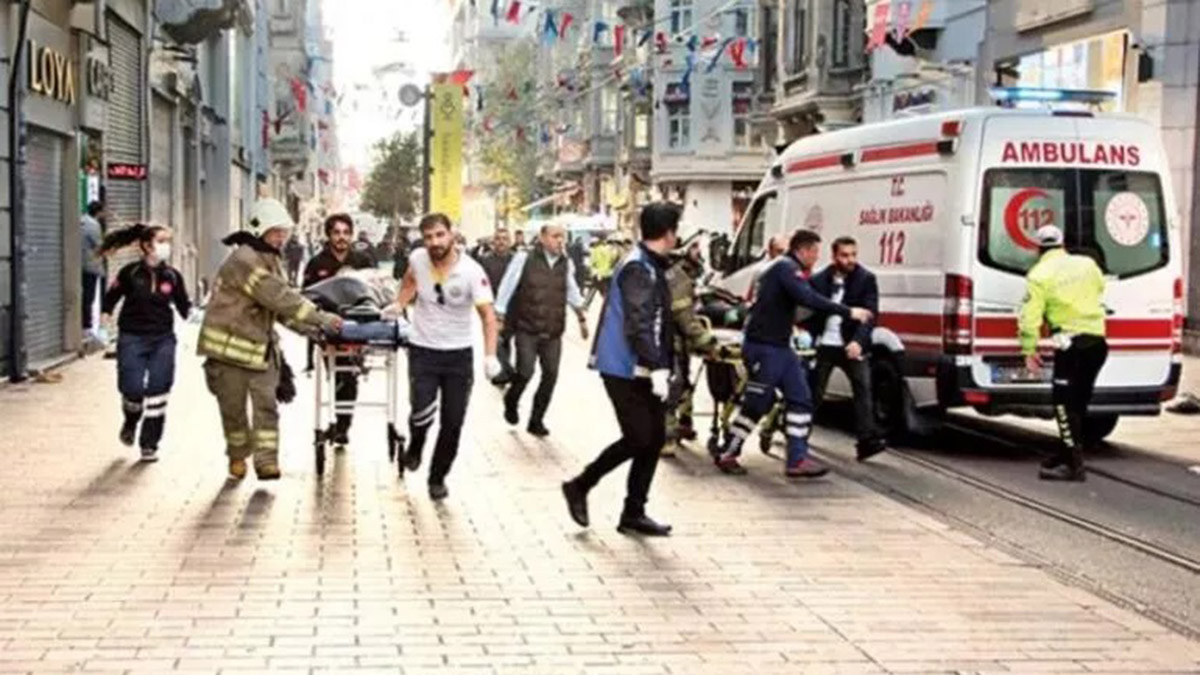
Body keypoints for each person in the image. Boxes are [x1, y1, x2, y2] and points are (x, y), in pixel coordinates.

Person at [200, 198, 343, 481]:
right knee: (234, 412)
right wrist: (322, 318)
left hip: (260, 350)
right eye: (276, 231)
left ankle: (266, 462)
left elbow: (277, 309)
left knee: (267, 408)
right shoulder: (245, 260)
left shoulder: (269, 259)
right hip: (229, 352)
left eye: (284, 232)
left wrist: (313, 332)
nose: (281, 238)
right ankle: (238, 455)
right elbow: (280, 298)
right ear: (259, 230)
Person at [560, 203, 680, 537]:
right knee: (639, 436)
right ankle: (580, 485)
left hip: (644, 365)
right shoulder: (639, 268)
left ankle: (633, 512)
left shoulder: (651, 264)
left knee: (654, 438)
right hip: (624, 367)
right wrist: (656, 366)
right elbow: (639, 321)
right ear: (669, 232)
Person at [715, 229, 872, 478]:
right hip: (765, 347)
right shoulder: (786, 269)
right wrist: (847, 311)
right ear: (804, 250)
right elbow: (807, 298)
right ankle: (728, 451)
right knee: (758, 404)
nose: (816, 259)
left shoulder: (782, 268)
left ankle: (797, 459)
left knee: (801, 397)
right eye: (815, 253)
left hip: (780, 346)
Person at [395, 213, 501, 500]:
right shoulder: (418, 258)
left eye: (440, 235)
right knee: (421, 412)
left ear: (452, 235)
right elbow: (408, 282)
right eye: (428, 237)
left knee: (452, 422)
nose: (434, 242)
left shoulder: (472, 271)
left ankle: (437, 477)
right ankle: (416, 445)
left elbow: (488, 316)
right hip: (423, 351)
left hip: (458, 356)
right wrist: (398, 305)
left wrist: (490, 357)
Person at [1019, 224, 1108, 482]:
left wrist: (1029, 349)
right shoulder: (1087, 264)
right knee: (1078, 402)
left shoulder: (1039, 275)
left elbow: (1030, 317)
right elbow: (1100, 288)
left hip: (1071, 346)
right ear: (1062, 244)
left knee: (1062, 403)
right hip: (1097, 344)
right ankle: (1066, 452)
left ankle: (1074, 466)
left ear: (1038, 248)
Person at [98, 224, 191, 462]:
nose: (166, 246)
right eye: (162, 241)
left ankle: (150, 443)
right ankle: (130, 420)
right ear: (146, 246)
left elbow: (185, 308)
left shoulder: (172, 276)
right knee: (132, 388)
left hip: (162, 339)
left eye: (168, 241)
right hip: (132, 337)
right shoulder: (130, 273)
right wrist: (105, 316)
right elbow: (111, 297)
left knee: (159, 390)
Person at [495, 224, 588, 437]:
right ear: (543, 238)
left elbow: (571, 289)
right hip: (527, 328)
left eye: (562, 237)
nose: (560, 241)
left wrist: (582, 317)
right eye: (555, 236)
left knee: (550, 375)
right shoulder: (524, 258)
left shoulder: (566, 263)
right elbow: (508, 285)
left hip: (553, 331)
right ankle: (512, 399)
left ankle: (536, 420)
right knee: (525, 372)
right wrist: (499, 314)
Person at [806, 236, 886, 462]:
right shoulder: (819, 280)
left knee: (863, 387)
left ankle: (866, 440)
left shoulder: (866, 279)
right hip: (824, 344)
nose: (850, 260)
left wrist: (858, 341)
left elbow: (870, 315)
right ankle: (800, 432)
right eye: (844, 255)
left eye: (853, 254)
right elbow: (810, 313)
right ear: (834, 257)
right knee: (815, 391)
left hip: (850, 343)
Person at [303, 213, 377, 443]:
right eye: (336, 233)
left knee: (349, 375)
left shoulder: (362, 260)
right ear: (329, 235)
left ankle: (343, 426)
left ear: (351, 235)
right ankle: (338, 424)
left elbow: (375, 291)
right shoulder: (317, 263)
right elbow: (307, 296)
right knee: (336, 374)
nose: (341, 237)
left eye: (346, 233)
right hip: (330, 329)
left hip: (359, 328)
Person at [663, 240, 716, 455]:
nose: (698, 251)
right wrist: (707, 342)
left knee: (681, 381)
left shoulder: (661, 271)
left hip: (667, 341)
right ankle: (665, 437)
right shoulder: (677, 278)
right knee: (674, 385)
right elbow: (684, 316)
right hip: (668, 341)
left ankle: (683, 424)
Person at [479, 228, 516, 385]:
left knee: (506, 340)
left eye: (504, 239)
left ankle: (504, 369)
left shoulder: (516, 261)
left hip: (513, 307)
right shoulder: (485, 260)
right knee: (497, 340)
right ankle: (504, 372)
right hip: (491, 306)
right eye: (498, 239)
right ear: (493, 242)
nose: (501, 242)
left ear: (510, 242)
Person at [81, 201, 108, 333]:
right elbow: (99, 246)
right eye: (104, 211)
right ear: (99, 212)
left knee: (84, 294)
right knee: (89, 296)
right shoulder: (93, 225)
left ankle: (84, 323)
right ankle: (87, 324)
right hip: (90, 265)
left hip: (80, 264)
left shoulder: (81, 221)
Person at [585, 236, 617, 310]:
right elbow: (612, 261)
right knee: (606, 291)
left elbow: (592, 263)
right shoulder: (608, 250)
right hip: (608, 274)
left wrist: (593, 272)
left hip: (598, 275)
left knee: (593, 289)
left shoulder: (595, 251)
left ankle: (586, 305)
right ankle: (609, 305)